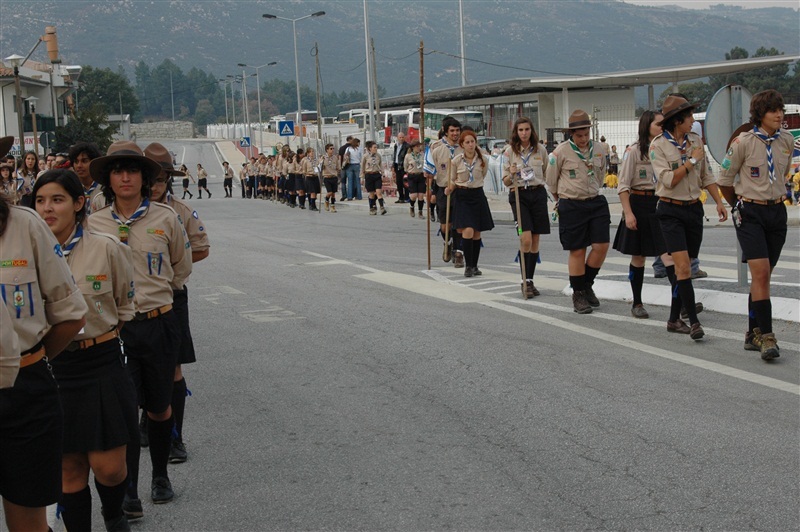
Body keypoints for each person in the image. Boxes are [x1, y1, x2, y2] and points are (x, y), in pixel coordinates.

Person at [88, 140, 191, 514]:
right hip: (118, 331)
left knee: (160, 408)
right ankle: (129, 489)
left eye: (133, 171)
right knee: (127, 410)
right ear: (109, 180)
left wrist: (155, 296)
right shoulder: (94, 222)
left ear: (146, 179)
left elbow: (181, 269)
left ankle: (160, 476)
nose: (126, 177)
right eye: (118, 171)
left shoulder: (166, 218)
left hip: (158, 323)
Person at [33, 169, 138, 532]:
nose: (48, 208)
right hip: (53, 368)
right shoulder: (26, 256)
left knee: (110, 469)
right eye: (40, 200)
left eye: (58, 199)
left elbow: (124, 308)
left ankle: (114, 514)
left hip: (100, 365)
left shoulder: (106, 248)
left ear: (79, 204)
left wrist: (95, 337)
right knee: (68, 469)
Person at [0, 133, 88, 532]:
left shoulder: (24, 226)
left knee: (28, 524)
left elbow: (70, 314)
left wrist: (29, 361)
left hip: (25, 396)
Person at [144, 142, 210, 463]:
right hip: (135, 300)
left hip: (171, 296)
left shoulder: (179, 212)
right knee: (140, 364)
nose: (154, 186)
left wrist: (168, 265)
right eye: (150, 179)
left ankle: (175, 437)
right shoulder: (123, 212)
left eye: (160, 180)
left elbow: (201, 248)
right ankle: (149, 420)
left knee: (173, 368)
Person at [718, 89, 793, 361]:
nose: (779, 114)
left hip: (776, 212)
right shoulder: (743, 142)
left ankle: (752, 332)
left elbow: (783, 174)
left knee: (764, 275)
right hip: (750, 211)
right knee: (760, 273)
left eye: (781, 110)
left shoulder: (786, 140)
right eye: (773, 110)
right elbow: (724, 179)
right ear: (760, 114)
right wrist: (736, 205)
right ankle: (768, 336)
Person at [650, 95, 727, 340]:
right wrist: (692, 160)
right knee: (682, 267)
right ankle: (693, 322)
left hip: (694, 210)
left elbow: (707, 177)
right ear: (677, 121)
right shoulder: (658, 146)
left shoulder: (695, 141)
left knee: (686, 270)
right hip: (670, 210)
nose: (693, 120)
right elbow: (669, 180)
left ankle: (673, 319)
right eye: (689, 116)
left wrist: (719, 202)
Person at [545, 109, 610, 314]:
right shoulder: (560, 153)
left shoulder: (599, 149)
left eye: (586, 135)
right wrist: (563, 199)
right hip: (572, 204)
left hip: (595, 201)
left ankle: (586, 283)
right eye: (579, 136)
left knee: (601, 246)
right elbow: (551, 182)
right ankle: (578, 294)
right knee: (578, 249)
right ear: (571, 134)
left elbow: (601, 174)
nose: (583, 139)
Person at [612, 111, 671, 319]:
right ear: (647, 126)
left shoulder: (666, 148)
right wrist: (628, 213)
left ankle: (681, 301)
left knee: (669, 253)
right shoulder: (634, 151)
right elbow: (623, 186)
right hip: (639, 203)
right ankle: (637, 302)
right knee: (639, 256)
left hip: (660, 202)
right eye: (658, 124)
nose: (662, 127)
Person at [502, 117, 549, 298]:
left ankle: (529, 280)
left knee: (535, 239)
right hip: (519, 194)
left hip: (537, 194)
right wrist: (511, 174)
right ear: (516, 132)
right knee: (526, 238)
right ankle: (524, 279)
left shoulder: (541, 150)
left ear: (532, 131)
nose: (524, 133)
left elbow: (546, 173)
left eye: (527, 129)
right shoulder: (509, 152)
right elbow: (505, 181)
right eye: (520, 130)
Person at [445, 130, 494, 277]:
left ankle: (474, 265)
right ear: (462, 145)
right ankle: (468, 265)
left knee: (477, 232)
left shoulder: (483, 160)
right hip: (462, 195)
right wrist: (449, 188)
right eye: (467, 142)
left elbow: (482, 175)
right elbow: (453, 179)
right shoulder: (456, 161)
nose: (470, 145)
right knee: (468, 231)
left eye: (472, 141)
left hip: (477, 195)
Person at [425, 117, 464, 267]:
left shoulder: (463, 146)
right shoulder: (436, 148)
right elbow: (429, 172)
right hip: (443, 189)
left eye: (457, 130)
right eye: (452, 131)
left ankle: (457, 250)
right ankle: (446, 242)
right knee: (445, 225)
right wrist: (430, 191)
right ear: (446, 132)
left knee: (458, 223)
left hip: (460, 189)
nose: (455, 134)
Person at [69, 141, 105, 215]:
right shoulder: (71, 188)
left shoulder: (105, 188)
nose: (79, 165)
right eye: (76, 161)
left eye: (84, 161)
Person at [361, 141, 386, 215]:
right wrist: (362, 178)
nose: (376, 149)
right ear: (370, 148)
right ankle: (372, 208)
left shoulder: (378, 156)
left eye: (376, 147)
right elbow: (362, 167)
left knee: (379, 192)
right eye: (374, 147)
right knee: (371, 193)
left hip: (377, 175)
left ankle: (382, 208)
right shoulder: (365, 156)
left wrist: (383, 174)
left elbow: (381, 165)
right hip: (369, 175)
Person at [404, 140, 426, 218]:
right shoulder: (408, 156)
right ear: (413, 147)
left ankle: (420, 212)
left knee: (421, 195)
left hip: (420, 175)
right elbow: (406, 167)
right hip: (412, 176)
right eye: (417, 146)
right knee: (413, 196)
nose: (418, 148)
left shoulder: (422, 154)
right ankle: (412, 207)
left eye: (419, 146)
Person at [321, 143, 341, 212]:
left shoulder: (335, 158)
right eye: (331, 149)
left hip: (334, 176)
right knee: (329, 192)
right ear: (327, 150)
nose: (332, 150)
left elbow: (338, 167)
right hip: (327, 177)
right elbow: (319, 167)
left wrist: (338, 174)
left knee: (333, 193)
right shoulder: (323, 158)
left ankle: (332, 206)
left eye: (333, 149)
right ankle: (326, 200)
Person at [301, 147, 321, 211]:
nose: (312, 153)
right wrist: (307, 174)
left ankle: (311, 203)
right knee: (312, 192)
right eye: (310, 152)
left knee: (315, 192)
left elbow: (319, 167)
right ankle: (313, 206)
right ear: (308, 153)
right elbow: (304, 170)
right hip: (309, 177)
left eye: (313, 152)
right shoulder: (305, 160)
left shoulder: (316, 160)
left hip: (315, 177)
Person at [392, 133, 409, 203]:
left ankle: (407, 197)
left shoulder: (406, 146)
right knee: (399, 183)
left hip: (403, 166)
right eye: (400, 137)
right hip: (397, 165)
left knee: (405, 182)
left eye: (402, 137)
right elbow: (395, 155)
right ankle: (401, 197)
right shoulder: (396, 145)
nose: (401, 139)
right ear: (397, 138)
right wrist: (393, 166)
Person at [338, 136, 353, 202]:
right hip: (350, 166)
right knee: (350, 181)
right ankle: (350, 196)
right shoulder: (352, 148)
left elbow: (340, 158)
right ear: (349, 140)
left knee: (343, 182)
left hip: (343, 166)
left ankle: (344, 195)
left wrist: (340, 166)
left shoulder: (342, 148)